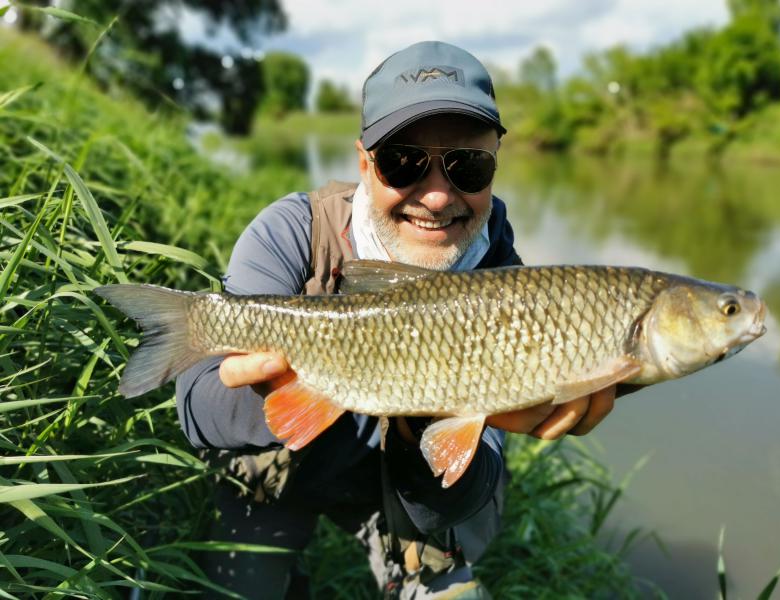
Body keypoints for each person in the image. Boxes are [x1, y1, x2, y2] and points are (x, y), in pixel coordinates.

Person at [176, 41, 618, 599]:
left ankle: (407, 565)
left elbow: (455, 498)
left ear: (495, 166)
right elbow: (196, 410)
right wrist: (271, 392)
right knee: (238, 585)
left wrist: (431, 420)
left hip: (398, 485)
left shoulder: (509, 281)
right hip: (286, 465)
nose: (435, 197)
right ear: (365, 163)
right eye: (403, 162)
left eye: (468, 165)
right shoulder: (291, 231)